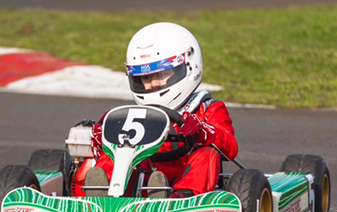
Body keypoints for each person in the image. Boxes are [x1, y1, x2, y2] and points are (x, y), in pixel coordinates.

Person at [85, 22, 238, 198]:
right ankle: (103, 195)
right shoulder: (134, 114)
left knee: (207, 154)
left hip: (187, 174)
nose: (154, 83)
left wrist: (203, 133)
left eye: (163, 74)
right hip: (147, 174)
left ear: (189, 66)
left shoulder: (207, 108)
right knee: (118, 153)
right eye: (146, 77)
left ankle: (178, 198)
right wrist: (101, 139)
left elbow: (231, 148)